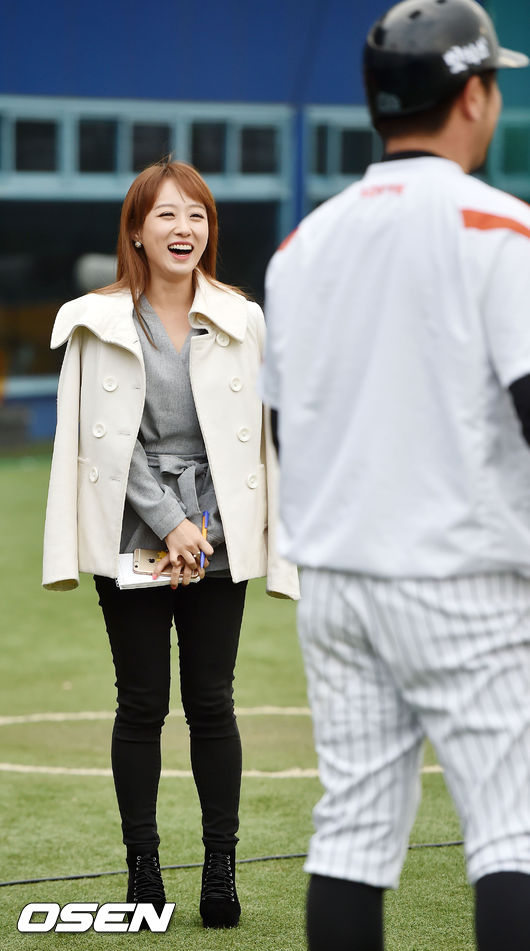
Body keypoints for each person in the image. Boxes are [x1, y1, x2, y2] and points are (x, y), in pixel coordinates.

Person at [261, 1, 530, 949]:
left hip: (337, 579)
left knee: (354, 829)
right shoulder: (501, 228)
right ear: (473, 96)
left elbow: (284, 424)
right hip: (464, 575)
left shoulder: (303, 245)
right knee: (513, 826)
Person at [42, 159, 299, 930]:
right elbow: (98, 442)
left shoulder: (242, 318)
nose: (184, 228)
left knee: (212, 702)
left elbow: (255, 439)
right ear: (136, 231)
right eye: (166, 214)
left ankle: (221, 869)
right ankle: (144, 868)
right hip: (133, 528)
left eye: (197, 215)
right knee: (143, 701)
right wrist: (168, 520)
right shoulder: (95, 322)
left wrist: (205, 527)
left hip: (217, 535)